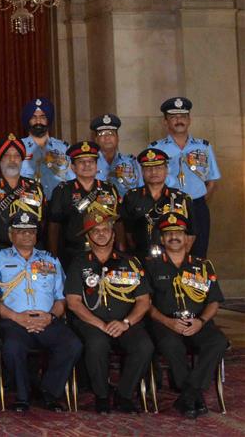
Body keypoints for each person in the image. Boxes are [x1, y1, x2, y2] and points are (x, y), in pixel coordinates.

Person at [63, 208, 153, 413]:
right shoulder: (79, 263)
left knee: (144, 346)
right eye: (95, 231)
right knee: (96, 344)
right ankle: (102, 395)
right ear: (88, 236)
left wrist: (126, 323)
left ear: (113, 233)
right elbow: (74, 302)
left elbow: (144, 300)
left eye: (105, 229)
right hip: (92, 322)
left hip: (126, 321)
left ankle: (124, 395)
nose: (101, 233)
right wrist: (101, 324)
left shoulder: (130, 262)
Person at [0, 209, 81, 412]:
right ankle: (23, 396)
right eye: (21, 231)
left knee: (72, 344)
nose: (26, 235)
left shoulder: (51, 260)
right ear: (11, 234)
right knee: (12, 348)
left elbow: (61, 297)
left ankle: (49, 392)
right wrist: (16, 317)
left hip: (46, 320)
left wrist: (50, 316)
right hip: (13, 321)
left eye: (31, 231)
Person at [144, 212, 230, 418]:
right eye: (169, 233)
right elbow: (145, 303)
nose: (174, 236)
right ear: (162, 239)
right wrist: (168, 322)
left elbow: (214, 301)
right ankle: (193, 397)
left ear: (187, 238)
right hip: (165, 321)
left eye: (179, 232)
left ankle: (189, 394)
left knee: (218, 342)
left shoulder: (203, 266)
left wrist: (200, 322)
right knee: (171, 345)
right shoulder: (149, 265)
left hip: (197, 320)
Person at [150, 96, 220, 256]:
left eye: (182, 116)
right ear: (165, 122)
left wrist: (194, 201)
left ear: (189, 120)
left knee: (198, 253)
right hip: (167, 206)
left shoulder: (204, 147)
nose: (178, 120)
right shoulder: (155, 149)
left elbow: (212, 180)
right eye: (173, 117)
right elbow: (148, 182)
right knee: (167, 254)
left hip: (197, 206)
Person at [47, 140, 121, 270]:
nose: (87, 165)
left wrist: (121, 248)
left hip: (106, 252)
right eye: (81, 162)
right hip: (73, 253)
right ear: (73, 167)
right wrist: (53, 254)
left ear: (97, 166)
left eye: (91, 162)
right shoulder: (63, 190)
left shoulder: (109, 189)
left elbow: (119, 221)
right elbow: (54, 225)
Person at [121, 146, 194, 260]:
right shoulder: (131, 197)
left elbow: (191, 233)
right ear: (142, 172)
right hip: (141, 257)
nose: (154, 172)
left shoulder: (181, 198)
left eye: (159, 168)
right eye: (148, 169)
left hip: (173, 258)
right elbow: (127, 232)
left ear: (166, 170)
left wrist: (181, 256)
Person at [0, 135, 45, 253]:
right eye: (7, 156)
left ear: (22, 160)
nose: (12, 160)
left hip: (32, 252)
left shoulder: (34, 187)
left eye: (17, 156)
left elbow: (43, 221)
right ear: (0, 159)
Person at [19, 97, 72, 199]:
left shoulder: (64, 148)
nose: (38, 121)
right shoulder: (18, 148)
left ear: (48, 120)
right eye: (33, 117)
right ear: (28, 121)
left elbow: (72, 180)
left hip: (59, 206)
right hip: (29, 205)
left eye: (43, 117)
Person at [93, 114, 142, 196]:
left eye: (111, 133)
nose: (107, 137)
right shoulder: (89, 164)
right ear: (96, 139)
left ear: (118, 138)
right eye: (102, 134)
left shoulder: (132, 163)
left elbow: (141, 190)